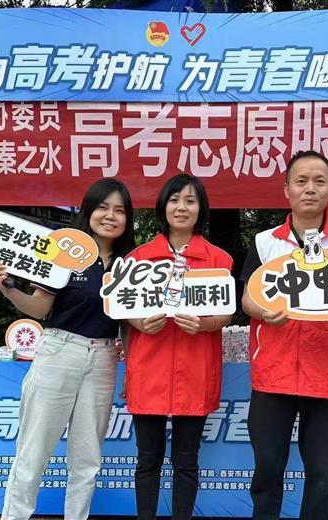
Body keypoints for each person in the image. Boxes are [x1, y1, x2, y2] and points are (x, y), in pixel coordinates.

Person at [0, 179, 135, 520]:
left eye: (119, 210)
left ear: (128, 219)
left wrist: (132, 368)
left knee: (88, 461)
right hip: (59, 351)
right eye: (103, 207)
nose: (110, 216)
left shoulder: (129, 264)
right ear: (88, 211)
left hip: (104, 359)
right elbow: (40, 308)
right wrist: (8, 288)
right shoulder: (65, 250)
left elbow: (127, 322)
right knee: (33, 453)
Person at [240, 150, 328, 520]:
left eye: (319, 181)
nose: (310, 189)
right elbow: (247, 297)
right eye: (301, 181)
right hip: (272, 372)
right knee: (267, 470)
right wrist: (262, 311)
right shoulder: (265, 242)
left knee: (321, 476)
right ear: (287, 190)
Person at [124, 174, 233, 520]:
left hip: (195, 369)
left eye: (190, 200)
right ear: (163, 206)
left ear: (201, 209)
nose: (181, 207)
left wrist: (205, 324)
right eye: (174, 200)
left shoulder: (219, 259)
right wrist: (139, 322)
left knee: (186, 460)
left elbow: (227, 312)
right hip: (149, 368)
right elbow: (122, 309)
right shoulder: (138, 258)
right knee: (148, 459)